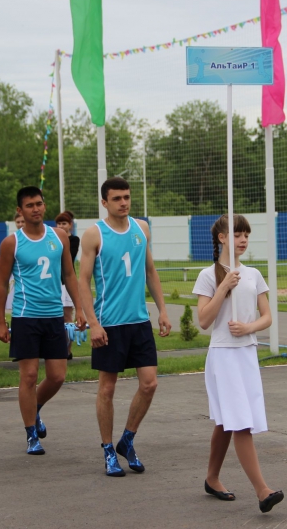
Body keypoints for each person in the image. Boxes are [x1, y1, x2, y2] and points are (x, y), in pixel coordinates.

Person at [78, 177, 172, 477]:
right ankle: (108, 451)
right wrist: (93, 323)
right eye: (117, 198)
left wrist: (163, 310)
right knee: (107, 388)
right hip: (109, 324)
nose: (124, 202)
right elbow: (82, 281)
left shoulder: (141, 228)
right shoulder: (94, 235)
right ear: (104, 202)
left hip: (139, 321)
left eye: (127, 197)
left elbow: (150, 270)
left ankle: (127, 440)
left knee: (150, 383)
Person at [192, 214, 284, 513]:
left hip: (247, 353)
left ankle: (212, 477)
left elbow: (267, 317)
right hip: (223, 355)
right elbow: (204, 321)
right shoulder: (208, 275)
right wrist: (223, 287)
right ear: (221, 238)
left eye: (246, 234)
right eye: (237, 234)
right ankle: (263, 490)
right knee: (241, 422)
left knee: (226, 422)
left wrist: (249, 328)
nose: (243, 239)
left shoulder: (254, 274)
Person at [0, 186, 86, 455]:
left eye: (39, 204)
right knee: (30, 375)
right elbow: (1, 283)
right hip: (25, 316)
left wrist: (79, 309)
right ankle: (31, 434)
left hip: (54, 316)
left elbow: (69, 275)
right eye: (30, 205)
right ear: (20, 211)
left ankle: (34, 408)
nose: (36, 209)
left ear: (44, 206)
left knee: (57, 376)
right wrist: (1, 321)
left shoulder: (59, 236)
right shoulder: (12, 242)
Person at [55, 211, 80, 360]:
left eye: (64, 223)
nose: (61, 226)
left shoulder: (74, 240)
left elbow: (68, 257)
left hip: (66, 283)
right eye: (59, 223)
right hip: (54, 281)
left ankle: (68, 349)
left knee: (67, 317)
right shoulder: (53, 239)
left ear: (70, 225)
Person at [5, 212, 24, 313]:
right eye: (18, 222)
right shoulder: (13, 239)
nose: (20, 224)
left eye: (22, 221)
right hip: (16, 274)